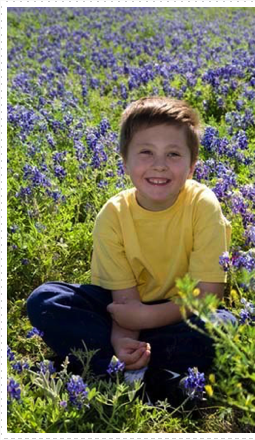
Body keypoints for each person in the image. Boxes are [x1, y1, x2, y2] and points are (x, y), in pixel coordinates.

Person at [27, 96, 236, 406]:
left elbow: (208, 296)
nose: (159, 164)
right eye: (146, 152)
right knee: (45, 301)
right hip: (122, 306)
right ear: (124, 161)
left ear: (192, 166)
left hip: (182, 309)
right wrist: (123, 339)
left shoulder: (202, 204)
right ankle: (152, 376)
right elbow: (123, 302)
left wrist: (146, 318)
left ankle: (104, 369)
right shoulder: (112, 215)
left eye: (173, 154)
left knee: (225, 326)